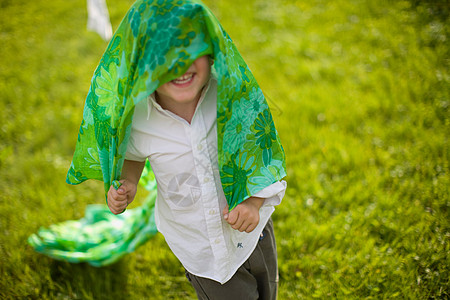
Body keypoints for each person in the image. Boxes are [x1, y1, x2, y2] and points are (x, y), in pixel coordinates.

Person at [66, 0, 286, 299]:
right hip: (201, 251)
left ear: (211, 51)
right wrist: (128, 182)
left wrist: (254, 203)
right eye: (164, 58)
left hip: (253, 235)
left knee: (267, 292)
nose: (179, 65)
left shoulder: (231, 98)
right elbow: (132, 154)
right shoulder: (140, 118)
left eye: (191, 51)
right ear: (141, 65)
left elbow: (261, 153)